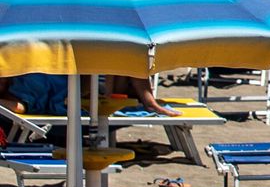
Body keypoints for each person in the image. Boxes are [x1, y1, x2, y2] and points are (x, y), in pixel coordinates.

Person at [0, 73, 178, 118]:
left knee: (125, 55)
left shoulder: (19, 81)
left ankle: (150, 102)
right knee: (124, 56)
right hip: (80, 91)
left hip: (81, 85)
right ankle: (150, 103)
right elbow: (20, 108)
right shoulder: (19, 92)